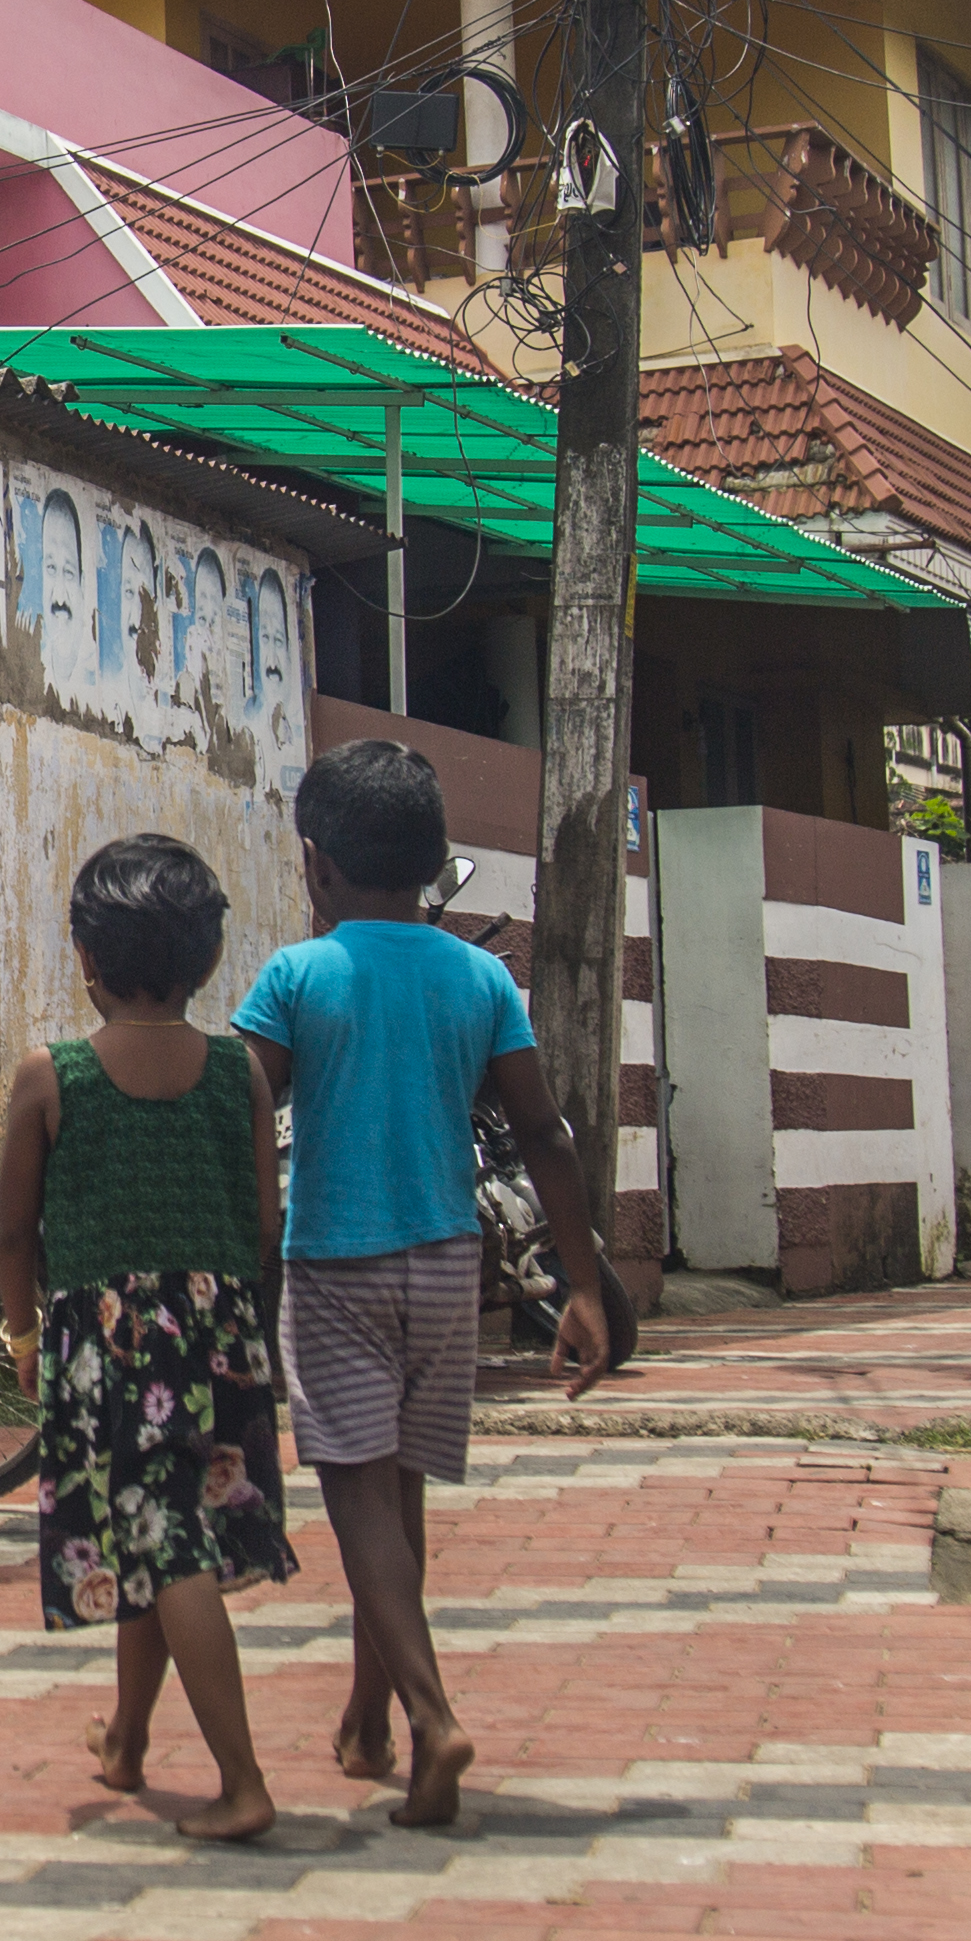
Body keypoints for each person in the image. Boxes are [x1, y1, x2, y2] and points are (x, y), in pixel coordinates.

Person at [230, 739, 616, 1826]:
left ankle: (434, 1715)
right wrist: (582, 1286)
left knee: (357, 1501)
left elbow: (241, 1106)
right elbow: (544, 1131)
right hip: (450, 1267)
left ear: (314, 864)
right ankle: (367, 1718)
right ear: (434, 861)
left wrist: (240, 1230)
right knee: (395, 1506)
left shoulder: (298, 977)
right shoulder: (482, 977)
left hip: (336, 1265)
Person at [0, 831, 295, 1845]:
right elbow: (260, 1221)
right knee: (153, 1530)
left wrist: (24, 1333)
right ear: (207, 961)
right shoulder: (238, 1075)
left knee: (162, 1544)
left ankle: (243, 1779)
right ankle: (125, 1737)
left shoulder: (51, 1076)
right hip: (218, 1334)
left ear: (84, 955)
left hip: (109, 1348)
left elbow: (13, 1228)